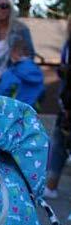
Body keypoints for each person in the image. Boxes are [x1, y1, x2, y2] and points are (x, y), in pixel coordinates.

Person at [44, 15, 71, 200]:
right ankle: (50, 186)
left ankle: (50, 186)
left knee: (60, 144)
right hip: (66, 103)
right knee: (59, 144)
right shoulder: (68, 45)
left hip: (68, 103)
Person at [0, 36, 45, 107]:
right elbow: (42, 92)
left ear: (14, 53)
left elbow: (2, 90)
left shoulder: (12, 72)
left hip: (13, 109)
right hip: (31, 110)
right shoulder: (37, 71)